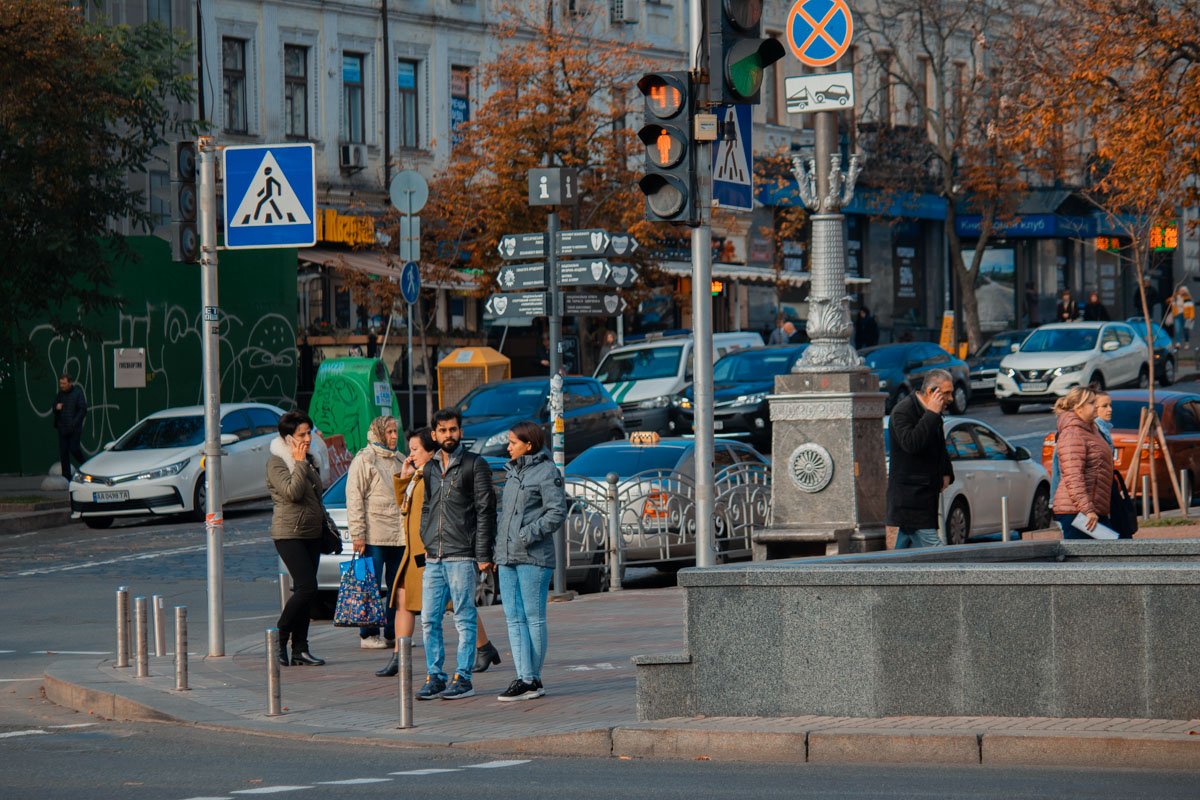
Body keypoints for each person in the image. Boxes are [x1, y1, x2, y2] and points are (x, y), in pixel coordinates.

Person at [375, 427, 499, 678]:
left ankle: (483, 647)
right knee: (404, 601)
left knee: (457, 605)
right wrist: (405, 477)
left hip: (429, 555)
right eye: (409, 450)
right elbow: (405, 508)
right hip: (414, 554)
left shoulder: (432, 476)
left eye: (415, 450)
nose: (410, 455)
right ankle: (400, 656)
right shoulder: (419, 475)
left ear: (430, 450)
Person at [416, 408, 497, 700]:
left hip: (462, 554)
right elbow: (427, 506)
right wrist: (425, 537)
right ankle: (435, 676)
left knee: (463, 617)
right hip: (434, 556)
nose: (448, 435)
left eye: (453, 429)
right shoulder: (429, 468)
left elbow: (486, 511)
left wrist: (483, 552)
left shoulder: (474, 464)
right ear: (434, 434)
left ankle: (463, 677)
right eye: (442, 430)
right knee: (429, 619)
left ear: (460, 432)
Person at [494, 421, 567, 701]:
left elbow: (556, 512)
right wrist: (497, 549)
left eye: (513, 442)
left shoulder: (547, 471)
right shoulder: (512, 472)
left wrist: (527, 534)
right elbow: (506, 516)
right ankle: (526, 677)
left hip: (534, 557)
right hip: (507, 556)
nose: (508, 447)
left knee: (533, 618)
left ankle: (531, 679)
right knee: (513, 618)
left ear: (529, 444)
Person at [267, 410, 326, 667]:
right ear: (288, 437)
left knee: (307, 591)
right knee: (306, 587)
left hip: (312, 532)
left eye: (309, 433)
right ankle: (280, 637)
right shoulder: (277, 462)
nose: (307, 439)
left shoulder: (310, 458)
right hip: (288, 533)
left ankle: (300, 648)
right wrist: (299, 463)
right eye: (301, 434)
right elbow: (292, 492)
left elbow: (316, 494)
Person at [347, 415, 405, 650]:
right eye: (389, 432)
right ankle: (368, 633)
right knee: (369, 585)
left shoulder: (400, 459)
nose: (394, 436)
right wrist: (358, 533)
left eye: (395, 431)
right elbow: (354, 497)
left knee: (397, 585)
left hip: (399, 536)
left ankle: (393, 631)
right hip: (374, 535)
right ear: (380, 433)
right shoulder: (365, 459)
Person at [886, 370, 955, 549]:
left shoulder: (934, 412)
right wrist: (931, 414)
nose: (951, 398)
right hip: (910, 499)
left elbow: (940, 446)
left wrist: (946, 471)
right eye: (946, 393)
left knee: (904, 551)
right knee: (935, 549)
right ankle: (956, 575)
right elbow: (911, 444)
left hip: (924, 495)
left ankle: (889, 575)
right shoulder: (902, 412)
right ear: (932, 392)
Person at [1051, 386, 1111, 538]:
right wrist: (1088, 510)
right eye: (1092, 403)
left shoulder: (1091, 429)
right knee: (1086, 558)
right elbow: (1073, 476)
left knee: (1109, 553)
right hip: (1078, 512)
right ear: (1078, 407)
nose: (1096, 407)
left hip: (1092, 509)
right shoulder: (1073, 433)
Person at [53, 373, 88, 482]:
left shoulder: (77, 393)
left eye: (64, 383)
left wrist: (74, 423)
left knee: (74, 448)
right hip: (62, 428)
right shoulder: (60, 394)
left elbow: (83, 409)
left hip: (74, 429)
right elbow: (54, 407)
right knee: (63, 453)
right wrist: (56, 407)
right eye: (60, 383)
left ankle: (87, 466)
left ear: (70, 383)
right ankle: (66, 477)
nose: (62, 385)